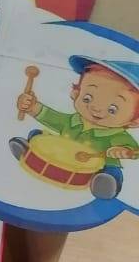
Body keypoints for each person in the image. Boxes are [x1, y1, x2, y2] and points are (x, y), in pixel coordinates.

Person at [10, 56, 139, 199]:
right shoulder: (72, 121)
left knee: (111, 169)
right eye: (87, 98)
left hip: (96, 167)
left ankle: (104, 184)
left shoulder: (117, 136)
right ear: (76, 94)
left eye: (113, 109)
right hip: (61, 154)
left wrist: (125, 151)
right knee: (37, 135)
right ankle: (29, 152)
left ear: (135, 121)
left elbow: (135, 151)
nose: (96, 108)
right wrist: (32, 107)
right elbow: (50, 116)